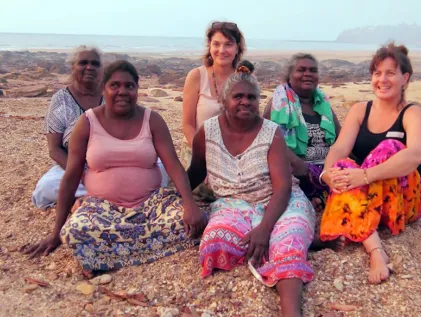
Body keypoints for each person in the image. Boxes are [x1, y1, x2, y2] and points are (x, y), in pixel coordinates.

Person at [24, 61, 207, 277]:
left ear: (137, 89)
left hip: (152, 204)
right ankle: (136, 248)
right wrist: (55, 232)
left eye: (129, 86)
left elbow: (174, 166)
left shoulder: (153, 120)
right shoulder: (87, 123)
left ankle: (106, 255)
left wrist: (189, 203)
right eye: (115, 85)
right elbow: (71, 176)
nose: (122, 91)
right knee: (73, 232)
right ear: (104, 88)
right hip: (102, 208)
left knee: (194, 220)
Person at [188, 66, 315, 317]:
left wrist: (264, 229)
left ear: (258, 101)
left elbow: (283, 188)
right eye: (238, 96)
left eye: (251, 97)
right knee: (215, 244)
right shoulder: (207, 132)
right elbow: (194, 172)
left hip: (279, 201)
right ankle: (304, 238)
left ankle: (292, 311)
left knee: (286, 246)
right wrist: (181, 199)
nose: (245, 101)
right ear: (224, 101)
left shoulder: (271, 132)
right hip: (232, 203)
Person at [318, 43, 421, 284]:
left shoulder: (413, 113)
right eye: (377, 73)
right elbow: (339, 149)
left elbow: (415, 155)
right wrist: (328, 174)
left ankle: (356, 228)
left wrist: (366, 176)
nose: (382, 79)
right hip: (365, 195)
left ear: (405, 78)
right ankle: (375, 248)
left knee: (389, 148)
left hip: (404, 200)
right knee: (343, 166)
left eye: (390, 73)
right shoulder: (360, 109)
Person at [32, 46, 169, 210]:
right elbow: (54, 149)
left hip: (122, 160)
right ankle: (84, 200)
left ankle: (101, 197)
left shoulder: (115, 94)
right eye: (83, 63)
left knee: (162, 167)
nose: (89, 67)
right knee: (46, 187)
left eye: (95, 64)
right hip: (75, 166)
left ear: (102, 69)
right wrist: (81, 174)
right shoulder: (60, 99)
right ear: (72, 67)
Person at [263, 53, 342, 251]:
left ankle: (319, 200)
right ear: (289, 76)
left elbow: (342, 140)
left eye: (312, 70)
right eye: (301, 69)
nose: (308, 74)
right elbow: (266, 139)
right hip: (296, 172)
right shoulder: (277, 103)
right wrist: (303, 168)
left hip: (326, 170)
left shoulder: (324, 105)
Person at [181, 21, 245, 200]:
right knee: (205, 191)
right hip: (198, 151)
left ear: (237, 48)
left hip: (234, 153)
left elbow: (250, 124)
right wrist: (207, 155)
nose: (221, 50)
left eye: (228, 44)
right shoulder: (196, 76)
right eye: (216, 44)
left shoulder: (244, 79)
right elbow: (187, 125)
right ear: (209, 46)